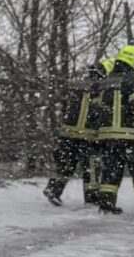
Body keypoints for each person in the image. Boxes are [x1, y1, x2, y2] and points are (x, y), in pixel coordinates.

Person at [88, 44, 134, 216]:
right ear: (132, 61)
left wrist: (99, 133)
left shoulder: (104, 82)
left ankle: (106, 204)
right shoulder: (133, 82)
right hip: (129, 135)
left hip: (107, 136)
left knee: (111, 169)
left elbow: (94, 111)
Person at [43, 57, 107, 207]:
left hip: (68, 133)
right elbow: (102, 112)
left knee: (66, 163)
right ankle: (92, 197)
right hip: (88, 135)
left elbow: (65, 108)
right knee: (91, 166)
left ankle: (54, 188)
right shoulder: (100, 89)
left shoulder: (75, 86)